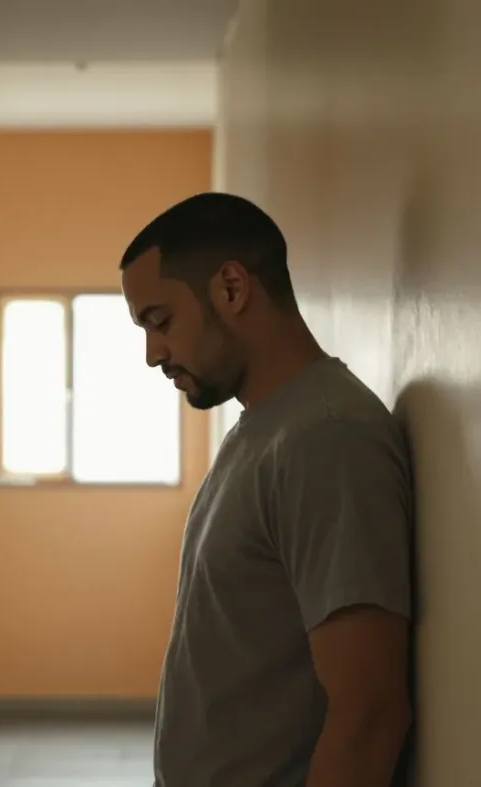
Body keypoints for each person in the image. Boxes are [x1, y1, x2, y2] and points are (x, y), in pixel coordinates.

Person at [119, 192, 414, 787]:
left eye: (160, 320)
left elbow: (370, 715)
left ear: (231, 288)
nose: (153, 353)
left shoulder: (327, 440)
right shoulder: (265, 428)